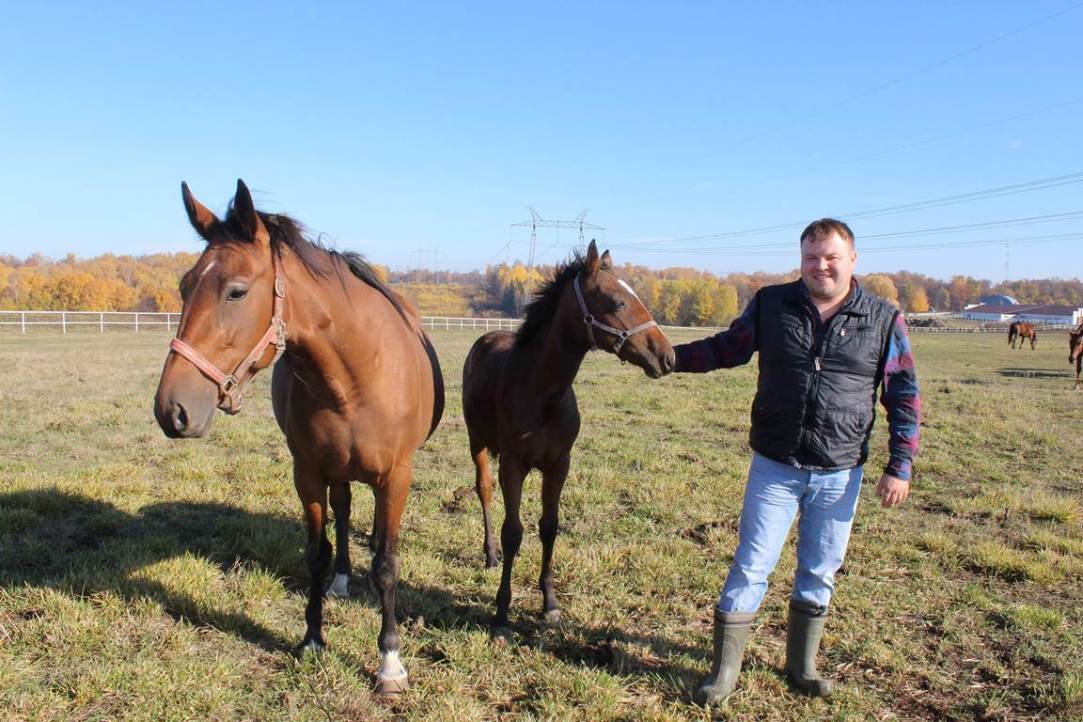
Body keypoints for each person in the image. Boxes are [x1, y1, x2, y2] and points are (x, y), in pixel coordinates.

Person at [672, 218, 921, 705]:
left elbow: (904, 395)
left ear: (852, 260)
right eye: (811, 256)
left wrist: (900, 466)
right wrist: (669, 358)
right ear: (800, 260)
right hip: (776, 467)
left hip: (840, 471)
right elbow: (728, 348)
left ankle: (801, 666)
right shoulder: (771, 304)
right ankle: (723, 674)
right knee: (750, 566)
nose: (820, 265)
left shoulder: (883, 317)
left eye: (831, 256)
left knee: (820, 570)